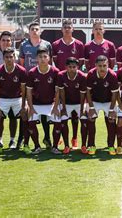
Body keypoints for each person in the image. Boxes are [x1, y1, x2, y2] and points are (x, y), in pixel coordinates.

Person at [19, 21, 53, 149]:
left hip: (44, 82)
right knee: (27, 112)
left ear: (40, 31)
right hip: (30, 82)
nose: (34, 31)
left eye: (36, 29)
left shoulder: (47, 44)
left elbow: (51, 62)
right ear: (29, 31)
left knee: (45, 113)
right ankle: (23, 140)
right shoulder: (24, 45)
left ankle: (47, 138)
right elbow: (22, 64)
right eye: (32, 29)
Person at [52, 20, 85, 149]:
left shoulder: (79, 44)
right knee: (62, 112)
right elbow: (55, 61)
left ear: (73, 29)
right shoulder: (55, 44)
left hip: (75, 80)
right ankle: (61, 138)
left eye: (69, 27)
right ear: (62, 29)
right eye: (65, 27)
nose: (67, 29)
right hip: (60, 81)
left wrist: (72, 75)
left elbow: (81, 63)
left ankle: (75, 138)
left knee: (75, 115)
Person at [24, 47, 60, 154]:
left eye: (45, 56)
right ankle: (37, 146)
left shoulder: (55, 71)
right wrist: (30, 107)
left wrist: (55, 106)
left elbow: (58, 91)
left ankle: (55, 147)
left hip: (51, 103)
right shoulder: (32, 72)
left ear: (49, 58)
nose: (43, 59)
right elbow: (29, 92)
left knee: (58, 120)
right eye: (40, 57)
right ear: (36, 59)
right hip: (36, 103)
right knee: (30, 120)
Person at [0, 31, 21, 149]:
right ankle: (0, 140)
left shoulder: (16, 54)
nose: (6, 42)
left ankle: (13, 140)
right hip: (1, 94)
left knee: (13, 118)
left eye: (8, 40)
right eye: (3, 40)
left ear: (11, 41)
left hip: (15, 94)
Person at [0, 48, 27, 155]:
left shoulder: (21, 71)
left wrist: (24, 105)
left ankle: (18, 141)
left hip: (17, 98)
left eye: (11, 57)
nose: (9, 59)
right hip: (3, 99)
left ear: (14, 58)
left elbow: (24, 90)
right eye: (7, 57)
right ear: (3, 58)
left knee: (24, 116)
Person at [86, 55, 119, 155]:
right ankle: (91, 145)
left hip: (109, 101)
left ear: (108, 65)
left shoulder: (112, 75)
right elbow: (88, 92)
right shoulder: (91, 74)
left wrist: (112, 109)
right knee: (91, 118)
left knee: (111, 120)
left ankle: (111, 146)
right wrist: (91, 107)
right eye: (100, 66)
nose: (102, 68)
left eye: (104, 66)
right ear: (96, 65)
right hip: (94, 101)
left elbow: (114, 93)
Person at [57, 57, 87, 154]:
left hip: (79, 103)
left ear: (77, 67)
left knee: (84, 120)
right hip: (66, 103)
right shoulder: (61, 75)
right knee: (63, 120)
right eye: (70, 67)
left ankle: (83, 145)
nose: (72, 69)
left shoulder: (82, 76)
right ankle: (66, 146)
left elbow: (83, 94)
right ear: (66, 67)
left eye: (74, 67)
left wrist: (82, 109)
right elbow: (62, 93)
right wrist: (64, 108)